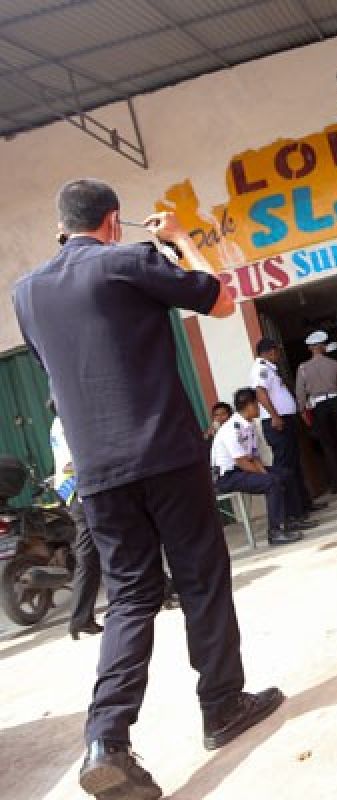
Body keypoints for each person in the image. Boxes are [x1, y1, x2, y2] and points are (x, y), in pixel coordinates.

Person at [12, 179, 284, 800]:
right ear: (113, 221)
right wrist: (181, 238)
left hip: (97, 471)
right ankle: (221, 705)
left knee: (131, 597)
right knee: (201, 577)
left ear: (62, 226)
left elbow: (54, 366)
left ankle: (107, 739)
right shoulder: (129, 260)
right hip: (162, 451)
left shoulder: (25, 293)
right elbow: (219, 301)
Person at [212, 388, 314, 545]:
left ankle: (291, 519)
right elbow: (241, 461)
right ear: (249, 405)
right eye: (257, 404)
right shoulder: (232, 429)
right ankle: (275, 532)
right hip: (227, 476)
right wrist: (266, 475)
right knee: (271, 482)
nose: (259, 408)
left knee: (286, 474)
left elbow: (254, 457)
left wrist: (264, 471)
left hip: (244, 468)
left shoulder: (249, 425)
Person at [250, 338, 327, 516]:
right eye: (276, 351)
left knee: (294, 465)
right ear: (269, 351)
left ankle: (304, 504)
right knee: (285, 468)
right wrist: (275, 416)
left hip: (285, 420)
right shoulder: (260, 369)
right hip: (277, 423)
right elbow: (260, 393)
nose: (278, 354)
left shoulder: (269, 369)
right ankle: (293, 512)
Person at [48, 407, 103, 640]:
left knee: (92, 554)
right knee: (98, 550)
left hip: (77, 493)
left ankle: (81, 618)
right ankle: (162, 590)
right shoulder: (66, 424)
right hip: (81, 493)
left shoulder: (59, 424)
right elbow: (70, 464)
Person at [295, 331, 337, 493]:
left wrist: (303, 412)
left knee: (328, 445)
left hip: (319, 407)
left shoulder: (303, 368)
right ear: (321, 346)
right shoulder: (335, 364)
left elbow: (300, 394)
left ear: (311, 348)